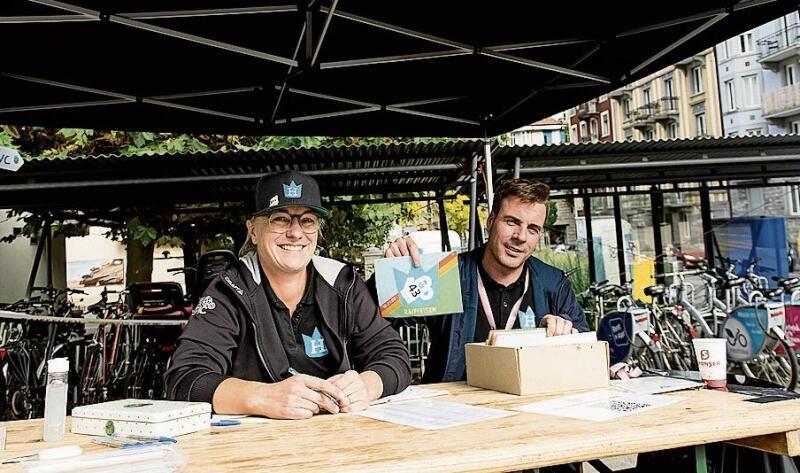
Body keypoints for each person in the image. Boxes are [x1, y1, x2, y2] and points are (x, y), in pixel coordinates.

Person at [166, 171, 411, 419]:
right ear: (253, 230)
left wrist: (366, 385)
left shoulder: (342, 283)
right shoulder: (229, 290)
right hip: (257, 447)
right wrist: (262, 397)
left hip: (340, 440)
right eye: (280, 219)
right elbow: (184, 378)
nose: (296, 233)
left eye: (307, 221)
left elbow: (394, 355)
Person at [382, 179, 589, 383]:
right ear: (490, 221)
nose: (521, 236)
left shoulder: (552, 283)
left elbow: (586, 348)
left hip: (529, 407)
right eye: (512, 222)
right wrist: (389, 275)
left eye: (532, 229)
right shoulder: (448, 276)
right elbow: (375, 319)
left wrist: (566, 329)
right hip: (453, 408)